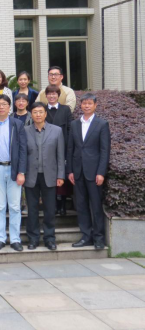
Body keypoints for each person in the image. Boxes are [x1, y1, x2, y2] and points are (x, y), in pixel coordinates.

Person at [67, 93, 111, 251]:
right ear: (81, 105)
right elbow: (70, 149)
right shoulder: (74, 124)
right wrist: (70, 170)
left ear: (95, 105)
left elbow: (105, 150)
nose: (86, 106)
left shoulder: (102, 124)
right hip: (77, 172)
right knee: (81, 205)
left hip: (94, 173)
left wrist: (101, 172)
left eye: (89, 103)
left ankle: (98, 238)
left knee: (96, 205)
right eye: (84, 103)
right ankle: (86, 236)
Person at [0, 95, 27, 252]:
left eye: (4, 104)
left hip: (14, 170)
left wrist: (21, 171)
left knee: (15, 206)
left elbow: (23, 149)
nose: (1, 107)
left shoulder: (17, 124)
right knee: (0, 206)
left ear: (10, 107)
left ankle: (15, 239)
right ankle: (0, 238)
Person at [24, 102, 66, 251]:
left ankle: (49, 238)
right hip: (30, 176)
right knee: (32, 209)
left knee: (49, 209)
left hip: (50, 175)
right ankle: (33, 238)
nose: (38, 115)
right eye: (35, 112)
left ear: (45, 114)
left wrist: (61, 175)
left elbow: (60, 155)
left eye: (41, 112)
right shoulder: (25, 130)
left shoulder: (57, 131)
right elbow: (22, 154)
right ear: (31, 114)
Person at [44, 84, 74, 216]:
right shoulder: (42, 109)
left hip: (62, 146)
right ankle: (54, 205)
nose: (52, 96)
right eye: (49, 94)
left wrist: (67, 146)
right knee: (49, 177)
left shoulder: (65, 109)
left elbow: (69, 128)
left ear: (58, 95)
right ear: (46, 96)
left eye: (54, 94)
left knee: (61, 175)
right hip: (46, 148)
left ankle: (62, 205)